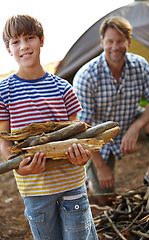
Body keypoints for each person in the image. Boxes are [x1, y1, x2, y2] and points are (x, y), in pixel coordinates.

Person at [0, 15, 98, 240]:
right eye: (15, 41)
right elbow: (4, 140)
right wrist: (19, 167)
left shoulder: (63, 88)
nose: (24, 46)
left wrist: (83, 157)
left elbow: (77, 134)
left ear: (41, 40)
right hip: (34, 189)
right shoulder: (4, 92)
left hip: (71, 182)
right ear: (8, 49)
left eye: (30, 38)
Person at [73, 16, 149, 206]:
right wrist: (101, 167)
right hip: (97, 136)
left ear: (129, 41)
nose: (115, 47)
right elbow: (82, 129)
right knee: (106, 199)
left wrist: (136, 127)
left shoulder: (140, 65)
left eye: (120, 41)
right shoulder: (86, 76)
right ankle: (91, 179)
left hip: (129, 121)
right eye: (110, 41)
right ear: (102, 42)